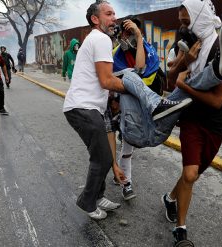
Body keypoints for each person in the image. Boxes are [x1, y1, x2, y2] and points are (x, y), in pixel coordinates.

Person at [63, 1, 188, 221]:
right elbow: (105, 80)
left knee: (101, 155)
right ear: (95, 19)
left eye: (115, 14)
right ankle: (88, 202)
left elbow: (130, 70)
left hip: (87, 108)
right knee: (101, 158)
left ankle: (99, 196)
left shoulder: (97, 39)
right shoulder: (100, 38)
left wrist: (131, 83)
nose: (114, 18)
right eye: (109, 14)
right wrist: (134, 91)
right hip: (84, 107)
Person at [160, 0, 222, 245]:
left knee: (191, 175)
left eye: (186, 21)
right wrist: (183, 62)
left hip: (216, 122)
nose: (184, 26)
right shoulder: (186, 45)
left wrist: (186, 85)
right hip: (192, 117)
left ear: (199, 17)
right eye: (183, 22)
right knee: (191, 172)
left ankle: (171, 198)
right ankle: (180, 231)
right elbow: (170, 84)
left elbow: (217, 101)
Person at [107, 15, 163, 200]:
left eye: (132, 32)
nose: (127, 36)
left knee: (128, 143)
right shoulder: (116, 54)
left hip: (135, 104)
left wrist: (138, 38)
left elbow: (140, 69)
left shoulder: (146, 49)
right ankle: (117, 172)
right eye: (126, 32)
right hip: (114, 104)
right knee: (111, 144)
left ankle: (126, 183)